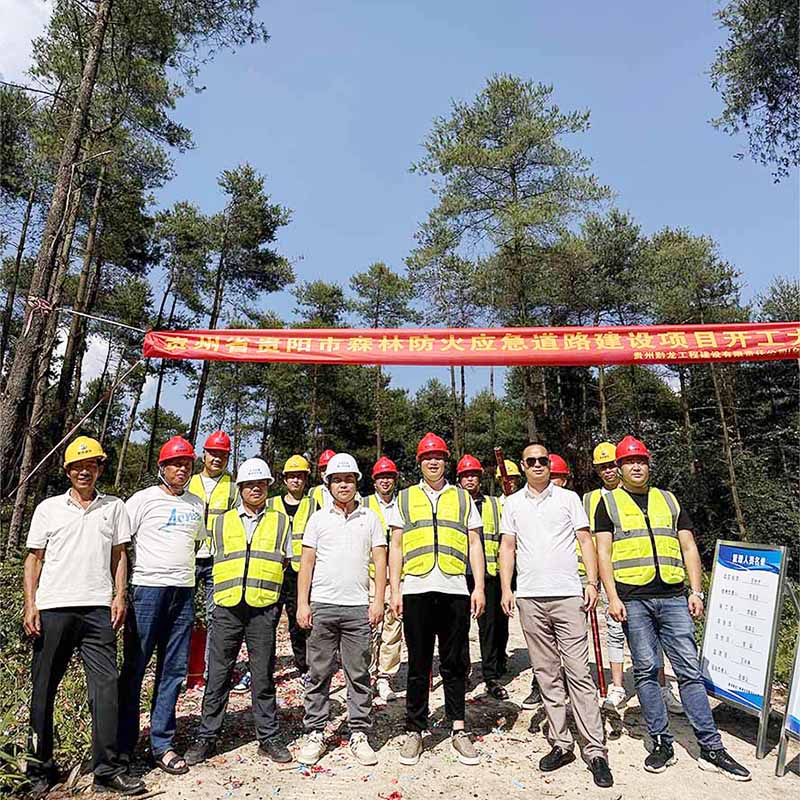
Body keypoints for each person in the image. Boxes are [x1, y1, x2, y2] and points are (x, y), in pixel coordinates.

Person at [595, 436, 750, 781]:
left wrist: (697, 591)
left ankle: (710, 747)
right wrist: (612, 597)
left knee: (689, 671)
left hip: (674, 597)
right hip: (633, 600)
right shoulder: (608, 504)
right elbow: (603, 553)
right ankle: (661, 741)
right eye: (629, 462)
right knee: (647, 670)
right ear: (619, 468)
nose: (637, 466)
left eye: (642, 461)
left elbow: (689, 547)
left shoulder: (669, 499)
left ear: (649, 465)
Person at [23, 437, 146, 797]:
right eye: (77, 465)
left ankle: (106, 769)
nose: (83, 470)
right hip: (54, 607)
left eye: (91, 464)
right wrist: (31, 604)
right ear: (67, 471)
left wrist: (119, 595)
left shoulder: (114, 507)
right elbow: (34, 559)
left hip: (97, 609)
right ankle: (40, 770)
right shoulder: (48, 508)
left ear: (100, 468)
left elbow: (120, 555)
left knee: (106, 689)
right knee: (44, 689)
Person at [499, 442, 613, 789]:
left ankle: (595, 751)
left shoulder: (569, 499)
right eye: (530, 461)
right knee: (547, 674)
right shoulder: (512, 503)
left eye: (542, 461)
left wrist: (591, 583)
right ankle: (562, 744)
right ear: (522, 465)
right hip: (530, 598)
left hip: (567, 596)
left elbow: (585, 541)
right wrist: (506, 588)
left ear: (550, 465)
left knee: (579, 673)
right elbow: (507, 547)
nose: (537, 465)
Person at [184, 459, 293, 766]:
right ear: (240, 488)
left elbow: (287, 562)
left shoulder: (281, 521)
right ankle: (207, 737)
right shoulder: (220, 522)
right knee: (217, 675)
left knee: (263, 675)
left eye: (260, 484)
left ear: (268, 486)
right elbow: (205, 559)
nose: (255, 488)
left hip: (263, 607)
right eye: (249, 484)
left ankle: (268, 737)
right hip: (227, 606)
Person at [388, 433, 486, 767]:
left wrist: (480, 588)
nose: (433, 462)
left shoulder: (462, 498)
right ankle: (416, 730)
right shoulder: (404, 498)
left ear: (446, 462)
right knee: (418, 664)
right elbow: (396, 547)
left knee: (454, 662)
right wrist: (393, 589)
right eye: (428, 457)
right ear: (419, 462)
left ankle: (458, 729)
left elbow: (475, 544)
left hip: (455, 589)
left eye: (439, 457)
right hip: (415, 588)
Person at [119, 436, 205, 774]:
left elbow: (195, 543)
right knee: (135, 669)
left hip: (183, 593)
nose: (182, 469)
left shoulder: (197, 504)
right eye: (176, 463)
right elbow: (121, 546)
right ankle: (123, 745)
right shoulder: (141, 501)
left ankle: (161, 744)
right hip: (146, 592)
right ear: (162, 467)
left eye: (187, 464)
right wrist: (121, 592)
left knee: (173, 671)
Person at [296, 453, 387, 766]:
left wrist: (378, 600)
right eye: (338, 479)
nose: (344, 484)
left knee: (358, 673)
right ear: (328, 483)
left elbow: (380, 561)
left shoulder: (370, 518)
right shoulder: (318, 519)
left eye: (349, 479)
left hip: (357, 608)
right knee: (318, 672)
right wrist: (303, 603)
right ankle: (316, 730)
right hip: (322, 605)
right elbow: (306, 564)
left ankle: (359, 731)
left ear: (356, 483)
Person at [456, 455, 508, 700]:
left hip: (489, 574)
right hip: (457, 574)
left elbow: (505, 540)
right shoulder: (452, 503)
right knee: (459, 627)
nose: (470, 479)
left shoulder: (497, 505)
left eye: (474, 475)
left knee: (490, 628)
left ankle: (491, 674)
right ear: (459, 479)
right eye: (466, 475)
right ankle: (462, 672)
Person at [187, 430, 237, 680]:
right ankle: (184, 667)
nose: (217, 459)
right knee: (183, 614)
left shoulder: (233, 487)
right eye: (213, 453)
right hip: (188, 558)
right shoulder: (189, 481)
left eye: (222, 455)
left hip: (218, 560)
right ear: (203, 454)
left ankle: (211, 670)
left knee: (215, 615)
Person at [266, 454, 319, 685]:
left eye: (300, 476)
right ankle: (263, 668)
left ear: (305, 479)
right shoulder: (270, 504)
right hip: (274, 570)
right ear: (284, 479)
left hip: (301, 571)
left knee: (300, 622)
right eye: (292, 476)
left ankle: (304, 665)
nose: (296, 480)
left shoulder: (313, 506)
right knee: (267, 622)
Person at [364, 456, 403, 703]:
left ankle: (385, 677)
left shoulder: (403, 504)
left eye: (389, 476)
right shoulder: (363, 503)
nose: (385, 481)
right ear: (374, 481)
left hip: (397, 575)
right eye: (381, 477)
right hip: (369, 574)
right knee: (368, 626)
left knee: (393, 626)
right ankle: (366, 675)